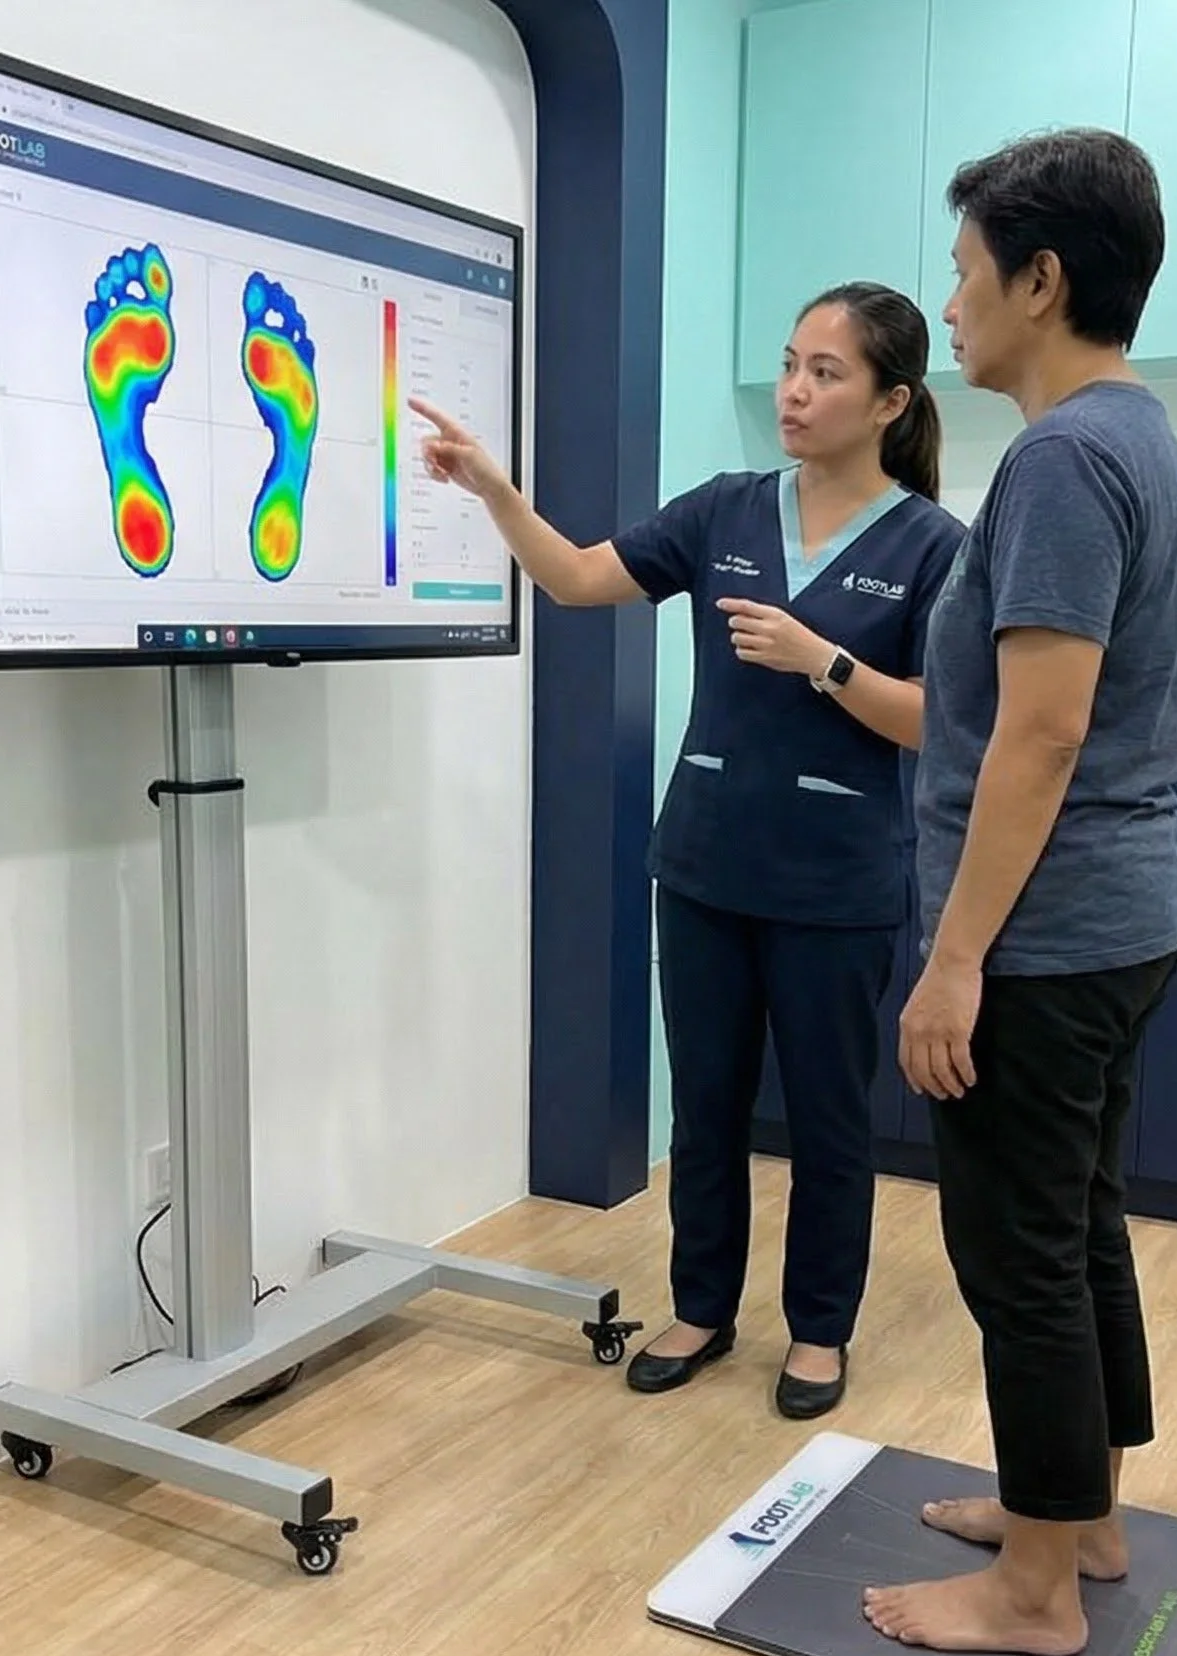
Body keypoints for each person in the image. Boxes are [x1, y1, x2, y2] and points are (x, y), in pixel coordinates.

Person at [412, 284, 966, 1420]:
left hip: (837, 885)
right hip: (706, 867)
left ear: (892, 401)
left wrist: (824, 660)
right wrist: (494, 492)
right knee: (704, 1104)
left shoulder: (934, 547)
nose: (797, 393)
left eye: (827, 373)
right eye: (790, 365)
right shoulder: (725, 510)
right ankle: (702, 1306)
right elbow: (575, 579)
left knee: (826, 1121)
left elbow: (943, 722)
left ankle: (819, 1330)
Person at [859, 130, 1177, 1654]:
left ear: (1042, 279)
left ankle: (1034, 1593)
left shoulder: (1066, 459)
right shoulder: (1138, 439)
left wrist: (954, 964)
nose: (950, 307)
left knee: (1021, 1255)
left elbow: (1043, 728)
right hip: (1125, 920)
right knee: (1079, 1226)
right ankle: (1083, 1513)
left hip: (1052, 938)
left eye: (964, 273)